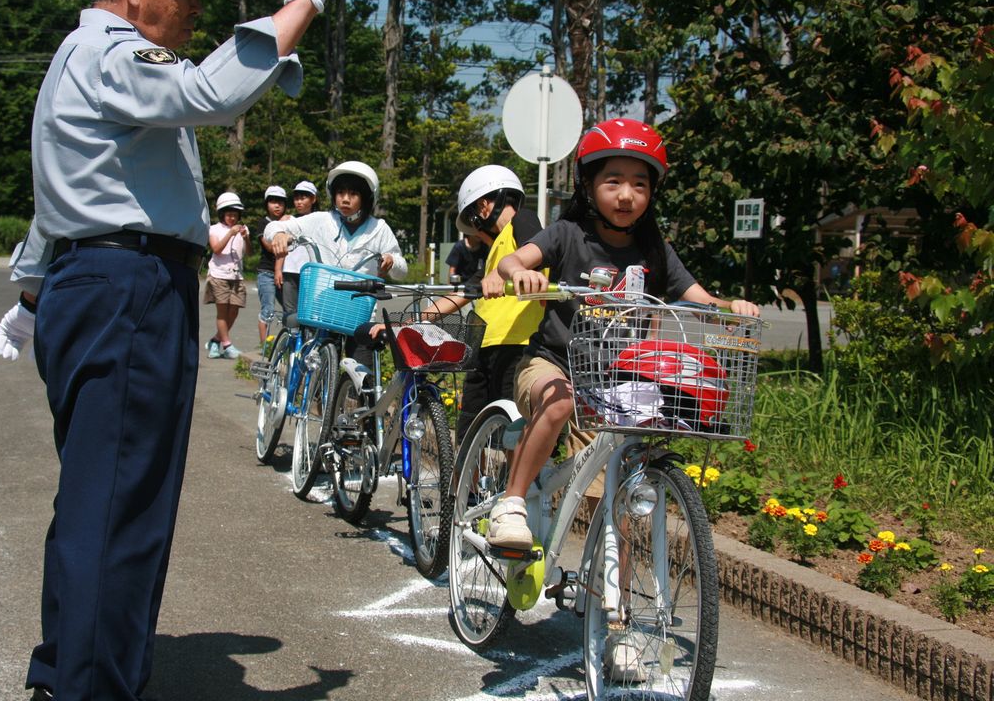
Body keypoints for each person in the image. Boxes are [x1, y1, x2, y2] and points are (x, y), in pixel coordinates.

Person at [0, 0, 334, 700]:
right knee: (120, 503)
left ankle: (73, 675)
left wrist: (34, 290)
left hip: (106, 284)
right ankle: (88, 688)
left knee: (102, 495)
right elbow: (212, 92)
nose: (195, 2)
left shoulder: (92, 61)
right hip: (128, 288)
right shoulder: (109, 50)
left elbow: (68, 193)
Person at [486, 118, 761, 551]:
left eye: (639, 183)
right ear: (588, 185)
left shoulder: (655, 249)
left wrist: (731, 309)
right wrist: (520, 272)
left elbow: (699, 299)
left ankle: (613, 607)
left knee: (616, 497)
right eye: (613, 181)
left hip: (613, 384)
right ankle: (512, 503)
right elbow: (514, 260)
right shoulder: (567, 234)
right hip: (550, 364)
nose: (627, 194)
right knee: (557, 403)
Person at [423, 166, 544, 445]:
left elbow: (535, 251)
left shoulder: (523, 220)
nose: (477, 227)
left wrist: (505, 272)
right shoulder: (493, 253)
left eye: (474, 217)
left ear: (484, 204)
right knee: (469, 433)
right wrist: (411, 321)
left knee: (517, 432)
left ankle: (520, 488)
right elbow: (461, 295)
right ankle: (468, 489)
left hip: (518, 344)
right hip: (484, 346)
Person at [265, 161, 406, 366]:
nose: (345, 199)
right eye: (340, 192)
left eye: (353, 194)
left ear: (366, 198)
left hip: (360, 312)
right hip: (321, 308)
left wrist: (391, 261)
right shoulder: (321, 220)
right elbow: (276, 226)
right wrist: (278, 234)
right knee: (314, 367)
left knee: (362, 372)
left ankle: (356, 397)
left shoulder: (379, 229)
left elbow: (402, 270)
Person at [205, 192, 251, 359]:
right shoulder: (214, 229)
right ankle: (227, 344)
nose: (232, 217)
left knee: (235, 310)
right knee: (222, 311)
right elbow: (216, 249)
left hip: (237, 276)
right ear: (222, 214)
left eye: (235, 214)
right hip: (219, 275)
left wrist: (245, 238)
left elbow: (249, 252)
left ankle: (215, 340)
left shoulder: (244, 230)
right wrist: (230, 233)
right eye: (228, 214)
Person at [279, 179, 319, 317]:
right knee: (289, 312)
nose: (299, 202)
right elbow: (281, 248)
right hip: (289, 270)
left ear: (313, 199)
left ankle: (307, 338)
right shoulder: (288, 220)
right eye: (296, 198)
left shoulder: (320, 220)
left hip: (310, 272)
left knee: (309, 311)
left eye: (303, 198)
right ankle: (291, 337)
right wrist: (278, 270)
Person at [254, 185, 288, 347]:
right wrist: (283, 241)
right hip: (266, 272)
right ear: (266, 204)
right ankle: (264, 347)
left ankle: (284, 345)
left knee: (290, 310)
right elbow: (269, 246)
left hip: (284, 273)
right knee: (268, 310)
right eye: (273, 202)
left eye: (280, 203)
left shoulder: (288, 222)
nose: (277, 206)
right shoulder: (264, 223)